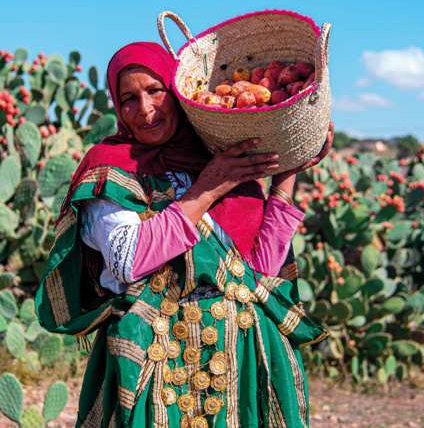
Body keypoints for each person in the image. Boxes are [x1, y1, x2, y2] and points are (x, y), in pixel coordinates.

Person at [36, 41, 334, 428]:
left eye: (155, 91)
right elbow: (130, 260)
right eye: (128, 98)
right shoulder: (111, 168)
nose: (145, 109)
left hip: (238, 352)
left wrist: (289, 169)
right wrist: (208, 189)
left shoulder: (219, 158)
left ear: (177, 93)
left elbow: (261, 270)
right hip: (158, 355)